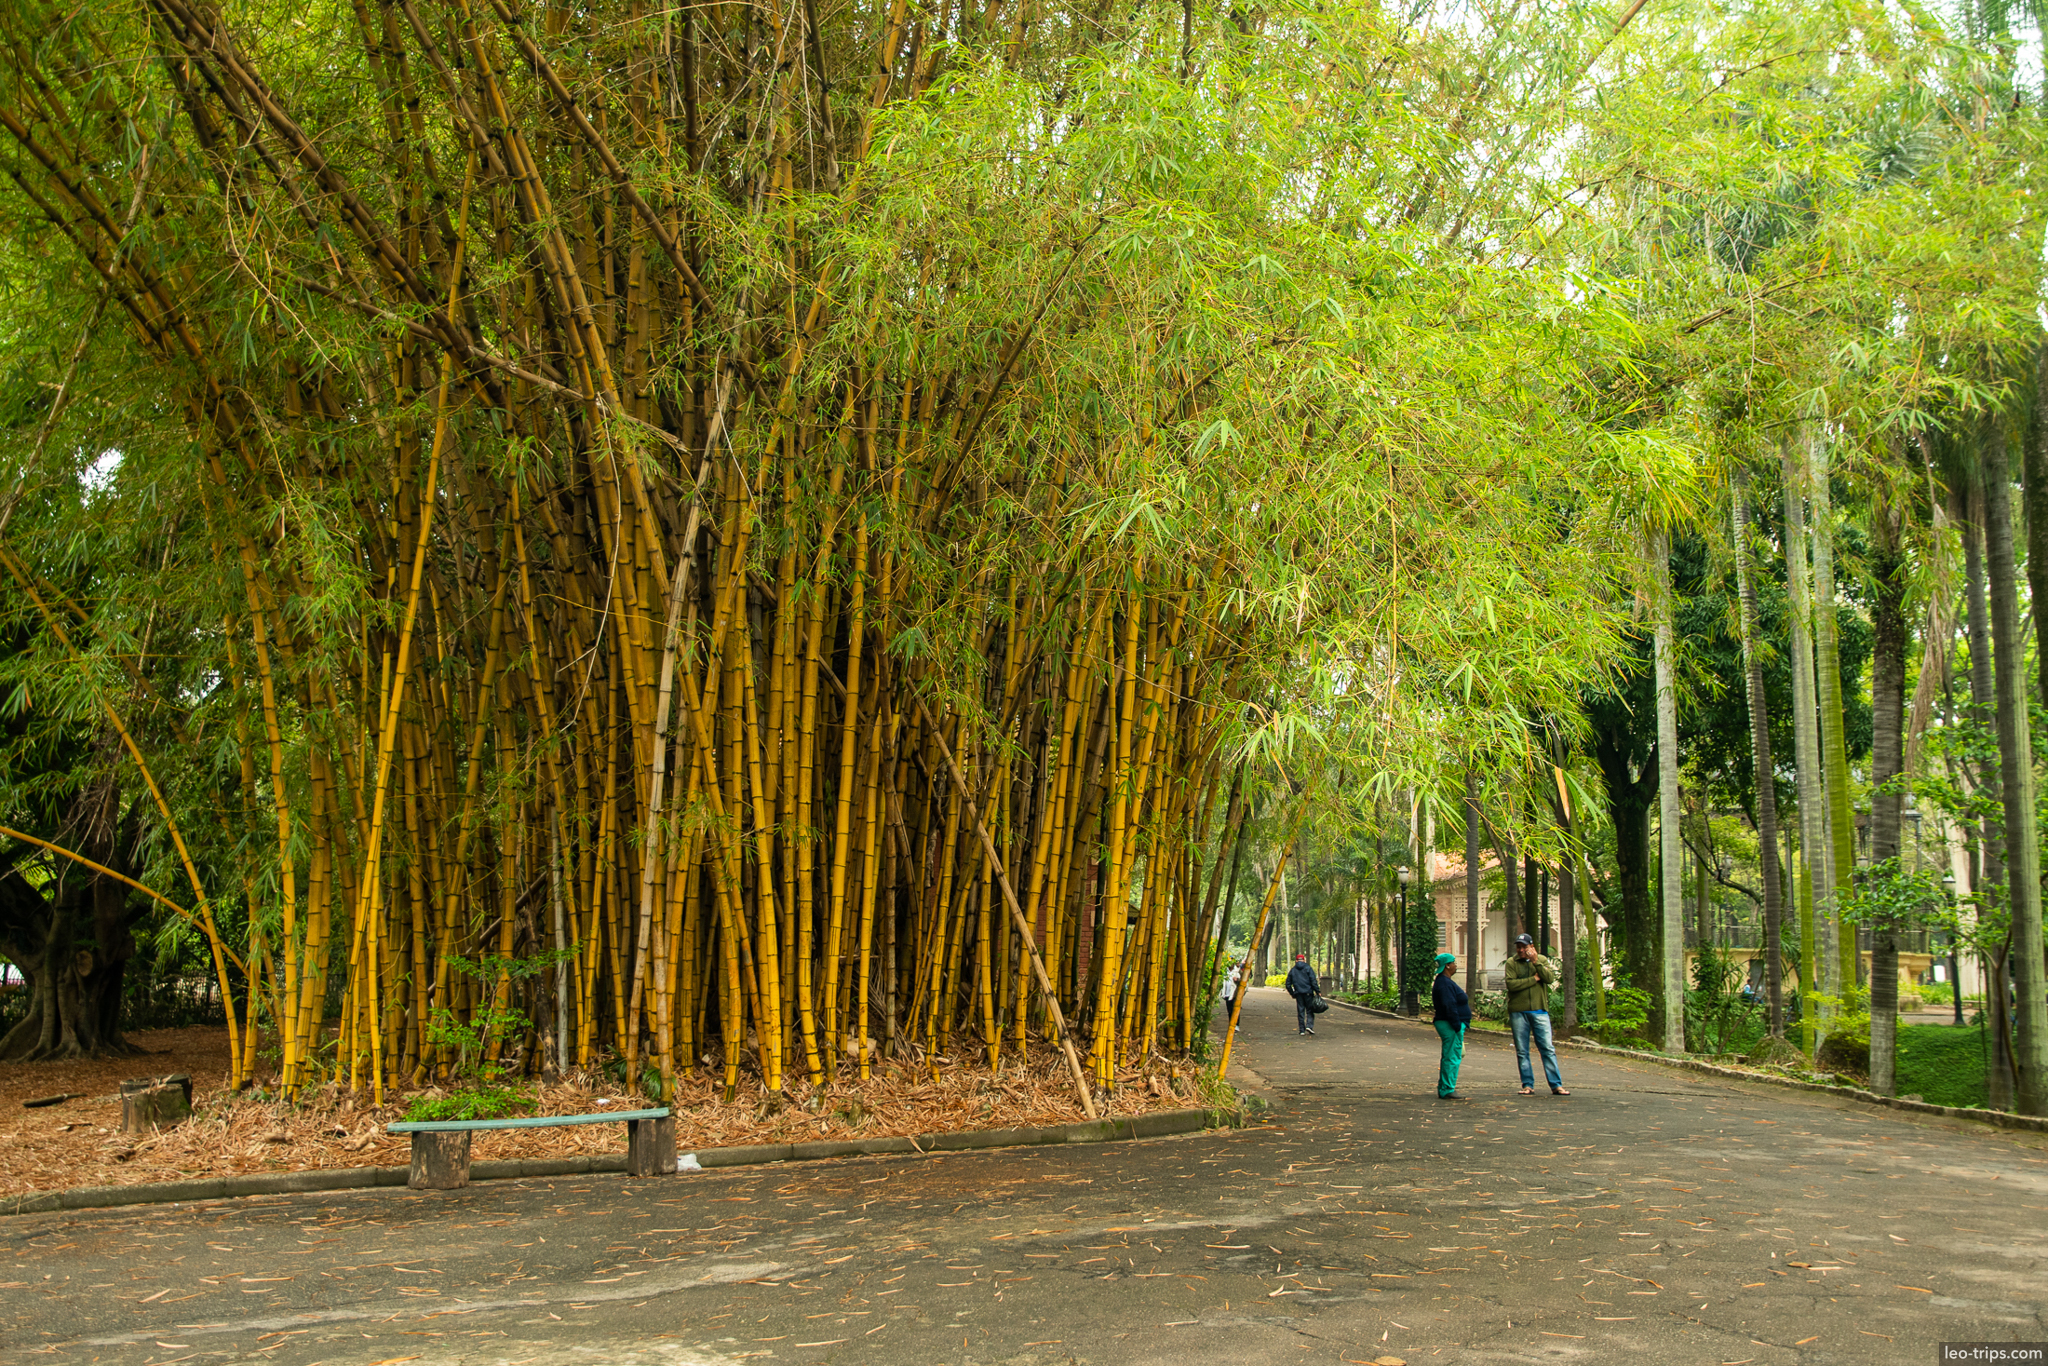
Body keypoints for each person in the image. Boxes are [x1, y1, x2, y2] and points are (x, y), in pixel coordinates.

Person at [1505, 932, 1569, 1095]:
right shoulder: (1511, 963)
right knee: (1522, 1050)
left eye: (1524, 947)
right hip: (1519, 1011)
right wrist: (1533, 979)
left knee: (1547, 1048)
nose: (1521, 950)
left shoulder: (1541, 960)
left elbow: (1549, 978)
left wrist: (1536, 963)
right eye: (1518, 947)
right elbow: (1511, 985)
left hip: (1540, 1010)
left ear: (1531, 947)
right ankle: (1527, 1084)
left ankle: (1556, 1084)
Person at [1431, 951, 1470, 1099]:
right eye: (1453, 963)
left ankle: (1445, 1086)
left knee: (1450, 1054)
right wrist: (1457, 1025)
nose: (1455, 965)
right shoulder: (1444, 984)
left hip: (1449, 1023)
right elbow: (1449, 1005)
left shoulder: (1443, 982)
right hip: (1450, 1024)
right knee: (1452, 1056)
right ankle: (1447, 1088)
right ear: (1447, 966)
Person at [1285, 953, 1321, 1035]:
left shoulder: (1293, 970)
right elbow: (1313, 981)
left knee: (1300, 1011)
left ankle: (1302, 1030)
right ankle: (1309, 1026)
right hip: (1308, 993)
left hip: (1298, 994)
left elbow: (1288, 984)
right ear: (1304, 960)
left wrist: (1292, 993)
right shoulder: (1308, 968)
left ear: (1296, 961)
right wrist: (1317, 991)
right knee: (1310, 1010)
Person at [1220, 960, 1244, 1031]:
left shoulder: (1237, 971)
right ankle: (1231, 1024)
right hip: (1227, 994)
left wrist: (1237, 980)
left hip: (1234, 994)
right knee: (1229, 1010)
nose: (1231, 964)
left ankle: (1236, 1025)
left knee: (1235, 1009)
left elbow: (1243, 980)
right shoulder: (1224, 971)